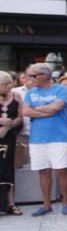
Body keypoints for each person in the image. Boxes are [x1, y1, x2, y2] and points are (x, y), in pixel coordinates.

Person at [21, 63, 67, 216]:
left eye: (33, 75)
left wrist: (36, 109)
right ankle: (46, 204)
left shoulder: (61, 89)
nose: (30, 78)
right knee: (43, 172)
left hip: (58, 137)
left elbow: (57, 107)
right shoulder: (31, 93)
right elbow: (25, 110)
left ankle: (65, 202)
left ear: (45, 76)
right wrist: (46, 108)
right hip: (37, 138)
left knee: (61, 171)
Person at [0, 71, 24, 215]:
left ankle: (10, 203)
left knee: (8, 169)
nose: (8, 87)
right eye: (4, 84)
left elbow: (20, 117)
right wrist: (2, 122)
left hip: (9, 137)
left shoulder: (17, 96)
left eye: (9, 83)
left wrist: (9, 126)